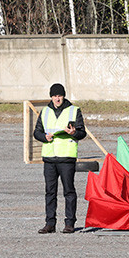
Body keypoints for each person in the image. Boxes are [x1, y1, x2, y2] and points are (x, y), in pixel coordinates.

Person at [33, 83, 86, 233]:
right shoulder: (45, 112)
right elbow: (36, 132)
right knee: (50, 192)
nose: (57, 98)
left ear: (64, 96)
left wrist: (73, 133)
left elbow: (82, 133)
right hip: (49, 158)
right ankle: (50, 223)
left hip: (66, 157)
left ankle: (70, 223)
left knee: (69, 191)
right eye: (55, 96)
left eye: (60, 95)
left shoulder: (74, 111)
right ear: (51, 96)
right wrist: (44, 136)